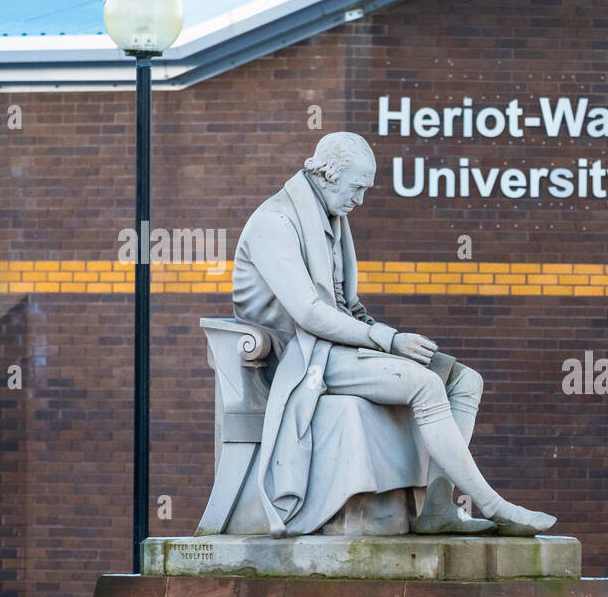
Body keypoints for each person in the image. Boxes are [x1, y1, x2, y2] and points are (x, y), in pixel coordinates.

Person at [231, 131, 555, 537]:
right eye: (357, 188)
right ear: (329, 175)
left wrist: (389, 339)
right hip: (300, 359)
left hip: (338, 347)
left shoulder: (331, 216)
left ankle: (438, 508)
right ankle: (491, 503)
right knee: (423, 384)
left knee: (466, 381)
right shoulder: (274, 222)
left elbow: (346, 305)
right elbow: (311, 313)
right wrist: (390, 340)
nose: (360, 200)